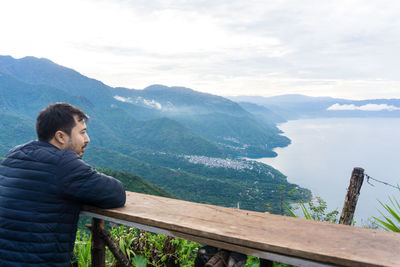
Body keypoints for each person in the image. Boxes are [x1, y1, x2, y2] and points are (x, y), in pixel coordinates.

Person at [0, 102, 126, 266]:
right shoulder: (63, 163)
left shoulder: (14, 155)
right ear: (60, 137)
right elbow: (116, 193)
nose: (87, 139)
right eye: (82, 133)